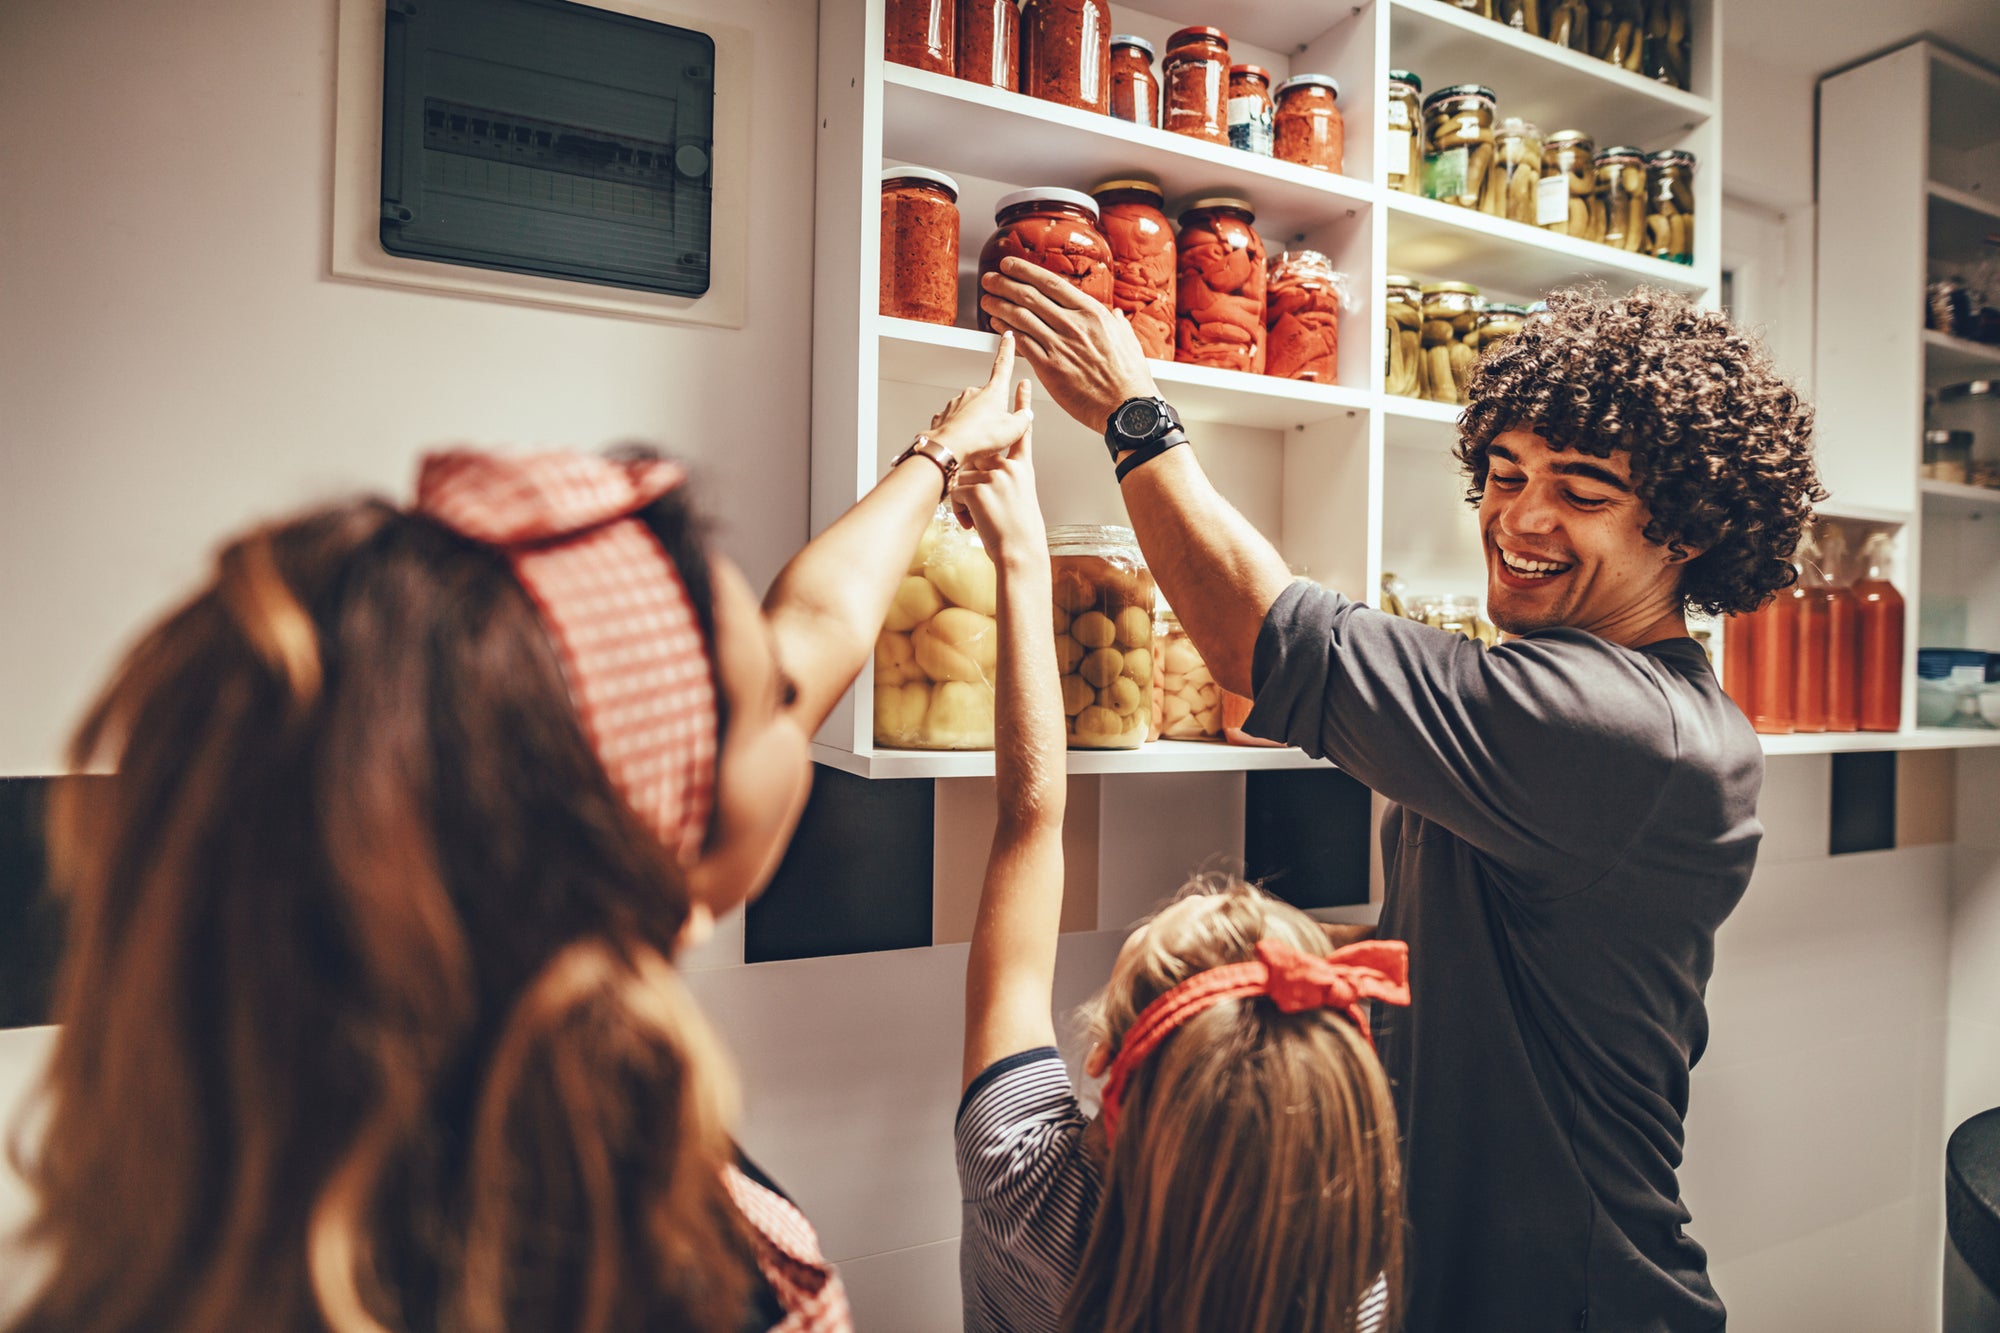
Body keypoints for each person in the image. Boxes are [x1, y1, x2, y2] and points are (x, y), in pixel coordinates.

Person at [4, 341, 1032, 1333]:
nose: (795, 685)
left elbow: (817, 619)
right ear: (639, 840)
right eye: (773, 700)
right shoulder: (666, 1279)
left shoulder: (227, 1186)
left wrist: (939, 453)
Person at [978, 267, 1823, 1331]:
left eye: (1580, 492)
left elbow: (1252, 642)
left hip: (1571, 1302)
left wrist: (1132, 417)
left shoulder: (1602, 725)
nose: (1520, 516)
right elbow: (1480, 947)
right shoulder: (1640, 709)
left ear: (1686, 530)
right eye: (1505, 473)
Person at [946, 388, 1411, 1333]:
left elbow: (1030, 820)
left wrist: (1022, 555)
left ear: (1106, 1081)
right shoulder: (1350, 1280)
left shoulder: (1029, 1190)